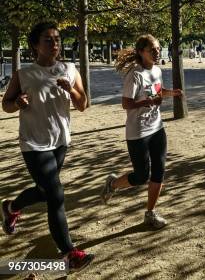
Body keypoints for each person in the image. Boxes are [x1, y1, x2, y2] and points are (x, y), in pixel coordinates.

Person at [1, 21, 94, 272]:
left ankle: (11, 208)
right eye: (48, 40)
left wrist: (71, 90)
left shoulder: (70, 69)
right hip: (33, 142)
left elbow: (83, 104)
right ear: (35, 45)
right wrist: (17, 103)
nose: (54, 44)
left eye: (57, 39)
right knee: (56, 194)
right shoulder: (24, 74)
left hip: (60, 141)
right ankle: (69, 253)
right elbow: (6, 104)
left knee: (44, 191)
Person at [100, 35, 183, 229]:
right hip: (138, 132)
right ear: (141, 52)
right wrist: (146, 102)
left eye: (158, 48)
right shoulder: (134, 74)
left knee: (159, 172)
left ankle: (150, 213)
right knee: (141, 176)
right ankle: (112, 184)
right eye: (152, 49)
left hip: (157, 127)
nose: (156, 52)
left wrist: (171, 93)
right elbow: (125, 103)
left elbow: (157, 90)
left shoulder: (157, 70)